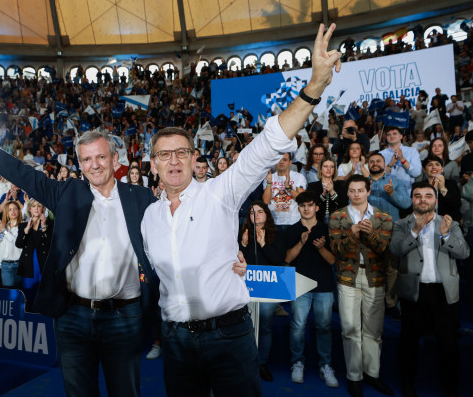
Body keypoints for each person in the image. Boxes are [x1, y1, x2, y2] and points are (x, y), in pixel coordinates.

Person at [140, 23, 342, 396]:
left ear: (194, 157)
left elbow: (267, 145)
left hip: (227, 336)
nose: (173, 161)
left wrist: (315, 86)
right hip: (176, 342)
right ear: (152, 164)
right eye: (163, 155)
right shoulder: (149, 218)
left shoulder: (220, 192)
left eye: (182, 152)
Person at [0, 86, 160, 397]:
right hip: (73, 317)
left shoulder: (141, 197)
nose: (95, 165)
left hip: (124, 317)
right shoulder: (66, 193)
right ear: (80, 164)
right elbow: (17, 171)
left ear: (115, 158)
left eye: (102, 156)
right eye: (87, 159)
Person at [390, 182, 469, 397]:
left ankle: (451, 388)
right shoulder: (401, 224)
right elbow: (395, 249)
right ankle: (407, 385)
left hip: (443, 292)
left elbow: (464, 253)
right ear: (412, 199)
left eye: (427, 195)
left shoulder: (449, 223)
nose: (422, 199)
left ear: (435, 199)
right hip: (413, 292)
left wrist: (445, 236)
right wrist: (415, 231)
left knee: (449, 345)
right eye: (417, 196)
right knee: (409, 343)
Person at [328, 175, 394, 397]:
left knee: (373, 332)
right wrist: (353, 233)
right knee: (349, 329)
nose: (356, 194)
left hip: (375, 279)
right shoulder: (337, 216)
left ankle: (372, 375)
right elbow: (336, 250)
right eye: (352, 190)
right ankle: (354, 376)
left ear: (368, 191)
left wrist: (370, 234)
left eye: (360, 190)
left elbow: (385, 249)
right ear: (347, 192)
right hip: (348, 279)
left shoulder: (383, 217)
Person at [283, 192, 339, 388]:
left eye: (309, 205)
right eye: (302, 205)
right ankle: (297, 362)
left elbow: (333, 261)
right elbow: (288, 259)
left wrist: (321, 247)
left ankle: (326, 365)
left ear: (316, 207)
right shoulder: (291, 230)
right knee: (297, 326)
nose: (306, 208)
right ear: (298, 208)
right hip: (298, 285)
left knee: (324, 327)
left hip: (324, 285)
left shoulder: (326, 229)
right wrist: (301, 242)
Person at [238, 201, 285, 382]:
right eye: (252, 212)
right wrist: (242, 245)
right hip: (246, 287)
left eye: (259, 211)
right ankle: (246, 363)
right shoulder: (243, 234)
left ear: (266, 214)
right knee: (246, 326)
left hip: (268, 288)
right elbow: (237, 260)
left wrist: (263, 243)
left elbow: (278, 260)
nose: (255, 215)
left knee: (264, 326)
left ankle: (262, 363)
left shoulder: (278, 235)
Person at [365, 152, 411, 320]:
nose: (375, 163)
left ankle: (390, 303)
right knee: (370, 268)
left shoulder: (396, 182)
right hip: (368, 232)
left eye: (378, 161)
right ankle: (372, 302)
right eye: (372, 161)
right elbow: (351, 205)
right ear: (367, 165)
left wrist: (391, 193)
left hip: (392, 232)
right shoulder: (362, 183)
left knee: (391, 269)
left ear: (385, 164)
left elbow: (406, 204)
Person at [15, 199, 53, 309]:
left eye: (39, 205)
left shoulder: (50, 224)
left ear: (43, 208)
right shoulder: (23, 226)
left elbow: (50, 244)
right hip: (28, 265)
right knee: (29, 296)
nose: (36, 208)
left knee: (44, 296)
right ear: (29, 209)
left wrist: (44, 226)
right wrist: (26, 230)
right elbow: (19, 244)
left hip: (43, 264)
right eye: (34, 206)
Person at [262, 153, 307, 231]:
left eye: (285, 160)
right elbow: (266, 201)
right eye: (278, 159)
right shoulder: (269, 177)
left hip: (294, 221)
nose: (281, 162)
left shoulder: (298, 177)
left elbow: (302, 199)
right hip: (274, 223)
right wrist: (269, 182)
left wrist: (288, 187)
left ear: (290, 162)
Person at [380, 126, 422, 196]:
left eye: (394, 134)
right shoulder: (381, 154)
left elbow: (416, 173)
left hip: (406, 193)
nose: (391, 136)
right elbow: (378, 176)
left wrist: (402, 159)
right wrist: (390, 164)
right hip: (386, 195)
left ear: (401, 136)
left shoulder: (412, 151)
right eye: (388, 134)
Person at [306, 156, 348, 224]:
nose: (329, 169)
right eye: (325, 166)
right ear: (320, 169)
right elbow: (311, 207)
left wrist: (332, 192)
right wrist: (323, 195)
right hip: (317, 222)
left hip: (337, 222)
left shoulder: (341, 184)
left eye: (332, 167)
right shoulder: (312, 186)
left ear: (334, 169)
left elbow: (344, 205)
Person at [0, 200, 23, 288]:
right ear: (6, 212)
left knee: (19, 292)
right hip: (5, 265)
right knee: (9, 292)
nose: (13, 212)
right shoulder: (3, 226)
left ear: (19, 211)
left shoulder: (22, 226)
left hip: (19, 264)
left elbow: (17, 243)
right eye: (10, 209)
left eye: (15, 209)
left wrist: (4, 231)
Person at [422, 156, 461, 222]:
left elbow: (456, 206)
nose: (434, 167)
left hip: (448, 223)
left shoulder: (451, 184)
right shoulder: (419, 186)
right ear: (424, 169)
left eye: (437, 164)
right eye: (430, 165)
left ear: (442, 169)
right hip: (426, 223)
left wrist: (442, 187)